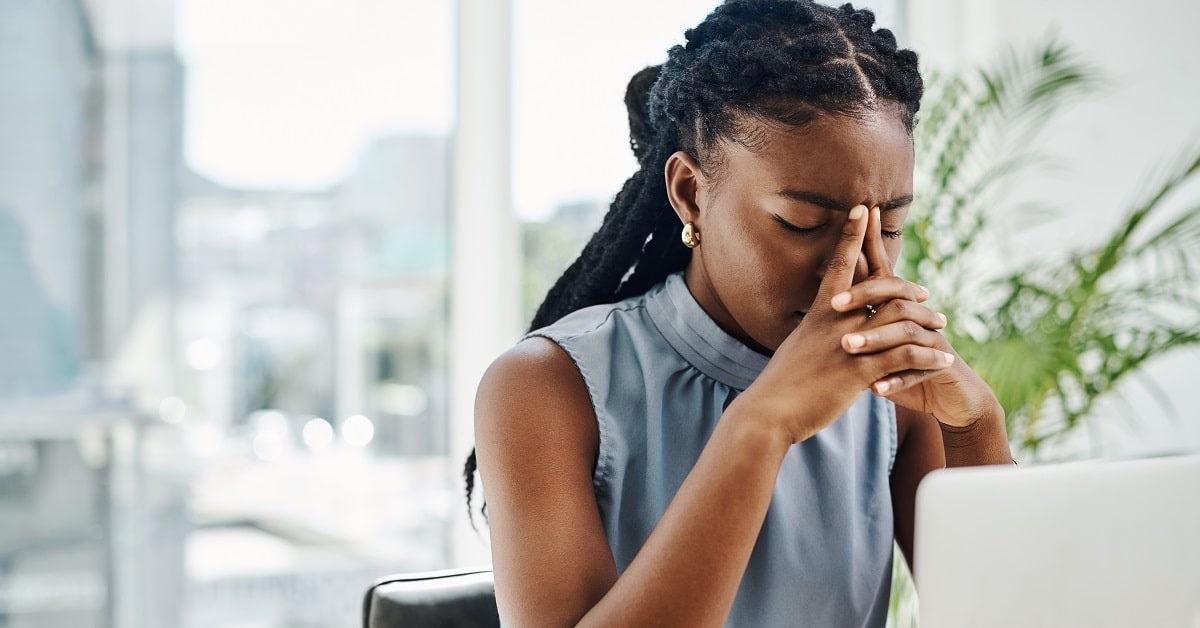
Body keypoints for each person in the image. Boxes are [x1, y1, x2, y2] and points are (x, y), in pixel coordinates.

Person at [464, 1, 1014, 625]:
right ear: (691, 194)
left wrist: (976, 425)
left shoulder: (893, 395)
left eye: (890, 226)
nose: (861, 268)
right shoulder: (546, 387)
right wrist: (763, 423)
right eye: (802, 223)